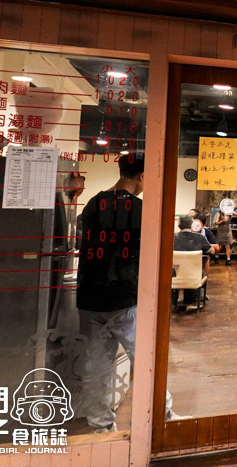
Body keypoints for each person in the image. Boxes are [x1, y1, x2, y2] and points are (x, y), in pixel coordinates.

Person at [77, 155, 184, 431]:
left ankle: (101, 427)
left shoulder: (92, 204)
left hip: (89, 297)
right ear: (142, 176)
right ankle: (164, 416)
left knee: (97, 369)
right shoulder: (140, 209)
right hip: (126, 299)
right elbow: (148, 255)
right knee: (148, 362)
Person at [173, 214, 215, 311]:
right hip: (194, 275)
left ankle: (174, 300)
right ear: (192, 225)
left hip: (175, 274)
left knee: (176, 270)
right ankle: (192, 301)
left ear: (179, 226)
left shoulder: (173, 237)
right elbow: (212, 251)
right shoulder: (199, 237)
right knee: (201, 272)